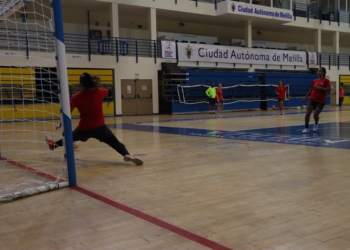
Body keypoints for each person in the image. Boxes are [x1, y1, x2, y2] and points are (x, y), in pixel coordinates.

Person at [45, 72, 143, 165]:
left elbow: (67, 112)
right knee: (115, 143)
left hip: (83, 129)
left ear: (81, 84)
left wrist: (61, 124)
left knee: (68, 139)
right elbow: (111, 92)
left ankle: (52, 145)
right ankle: (126, 154)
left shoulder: (76, 97)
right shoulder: (100, 92)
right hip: (100, 127)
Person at [301, 67, 330, 134]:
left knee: (315, 115)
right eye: (317, 71)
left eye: (320, 71)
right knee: (308, 113)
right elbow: (311, 90)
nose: (318, 72)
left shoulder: (326, 81)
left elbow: (328, 89)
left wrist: (319, 88)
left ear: (323, 72)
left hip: (321, 100)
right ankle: (306, 128)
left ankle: (316, 123)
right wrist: (305, 97)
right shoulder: (314, 81)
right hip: (312, 99)